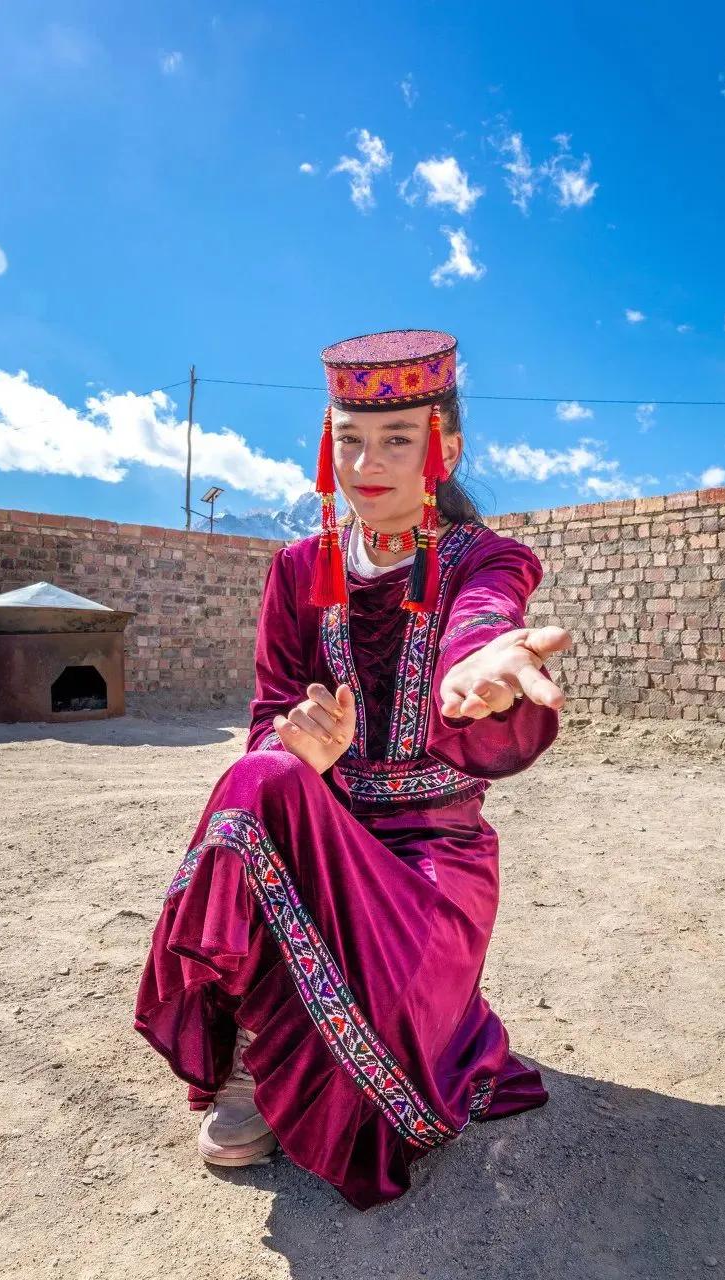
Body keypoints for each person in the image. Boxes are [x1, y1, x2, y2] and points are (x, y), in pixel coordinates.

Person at [133, 328, 570, 1212]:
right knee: (259, 782)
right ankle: (255, 1051)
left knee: (400, 997)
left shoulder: (485, 561)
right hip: (322, 834)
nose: (368, 463)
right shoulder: (298, 570)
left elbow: (483, 614)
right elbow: (267, 713)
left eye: (398, 438)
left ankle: (384, 1039)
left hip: (433, 853)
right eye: (350, 438)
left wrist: (477, 662)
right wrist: (296, 746)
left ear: (444, 450)